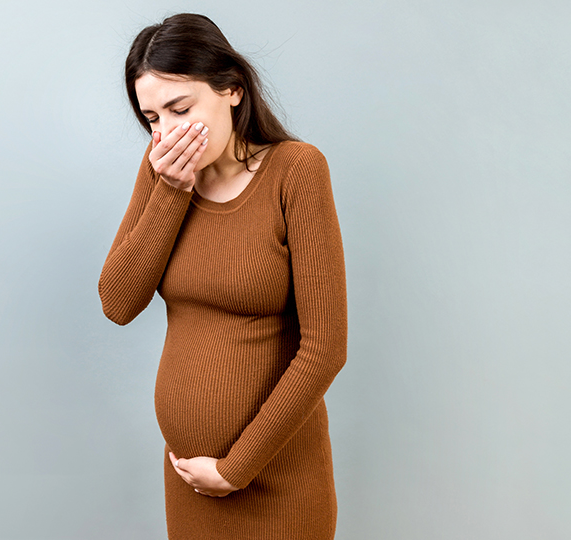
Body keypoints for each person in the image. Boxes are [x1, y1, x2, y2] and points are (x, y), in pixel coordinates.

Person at [98, 13, 347, 540]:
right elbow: (118, 303)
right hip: (192, 483)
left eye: (180, 109)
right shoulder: (162, 171)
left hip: (277, 480)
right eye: (151, 118)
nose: (166, 133)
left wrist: (235, 469)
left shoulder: (296, 171)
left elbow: (325, 348)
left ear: (232, 90)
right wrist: (171, 191)